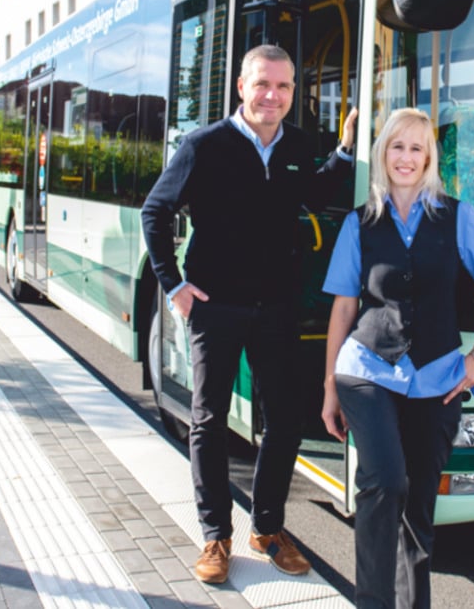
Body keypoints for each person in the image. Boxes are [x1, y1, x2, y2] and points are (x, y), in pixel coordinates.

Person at [141, 44, 358, 584]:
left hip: (277, 306)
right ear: (241, 87)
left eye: (283, 87)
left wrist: (348, 151)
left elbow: (312, 193)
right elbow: (155, 210)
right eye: (262, 84)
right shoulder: (204, 145)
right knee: (210, 421)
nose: (272, 96)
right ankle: (216, 537)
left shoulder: (297, 146)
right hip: (216, 305)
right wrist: (175, 285)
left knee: (283, 422)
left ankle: (267, 528)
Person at [321, 108, 474, 608]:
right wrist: (328, 388)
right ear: (383, 152)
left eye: (417, 148)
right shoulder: (359, 223)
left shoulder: (457, 216)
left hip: (440, 376)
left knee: (419, 505)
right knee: (384, 480)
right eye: (397, 146)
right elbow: (343, 307)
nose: (406, 157)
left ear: (429, 159)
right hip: (367, 369)